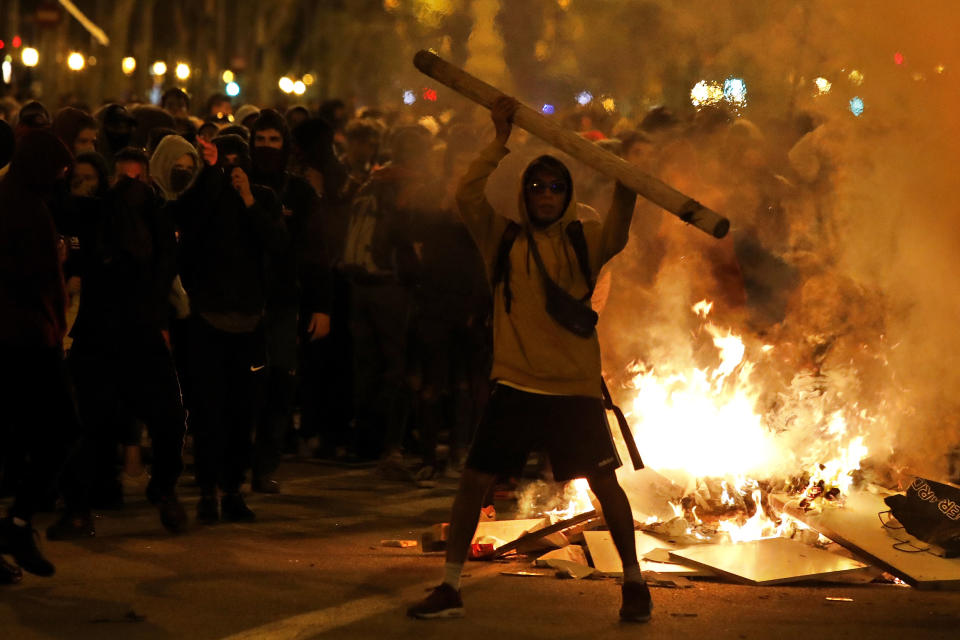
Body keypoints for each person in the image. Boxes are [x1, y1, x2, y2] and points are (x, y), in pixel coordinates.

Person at [407, 97, 652, 623]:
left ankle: (634, 583)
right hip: (516, 386)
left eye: (556, 187)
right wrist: (498, 141)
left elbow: (621, 224)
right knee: (474, 481)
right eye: (537, 186)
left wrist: (627, 176)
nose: (545, 195)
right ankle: (449, 587)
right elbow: (467, 193)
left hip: (574, 389)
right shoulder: (503, 238)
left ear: (568, 196)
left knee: (606, 485)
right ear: (525, 193)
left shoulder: (585, 240)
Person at [172, 133, 286, 523]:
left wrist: (250, 200)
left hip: (249, 321)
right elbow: (185, 221)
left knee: (242, 413)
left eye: (239, 161)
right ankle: (207, 492)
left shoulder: (263, 198)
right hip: (208, 319)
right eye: (226, 161)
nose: (233, 169)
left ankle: (233, 489)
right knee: (208, 412)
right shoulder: (206, 195)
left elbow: (277, 243)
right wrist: (209, 177)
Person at [0, 130, 79, 578]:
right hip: (26, 340)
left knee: (19, 438)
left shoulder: (21, 200)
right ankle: (17, 522)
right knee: (62, 429)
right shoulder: (23, 209)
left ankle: (15, 523)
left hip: (26, 336)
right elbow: (31, 278)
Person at [248, 109, 331, 491]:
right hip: (241, 299)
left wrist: (320, 306)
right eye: (260, 140)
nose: (266, 147)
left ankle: (264, 466)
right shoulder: (238, 182)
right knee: (240, 385)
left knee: (279, 383)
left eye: (273, 140)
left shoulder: (297, 191)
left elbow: (316, 251)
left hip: (283, 300)